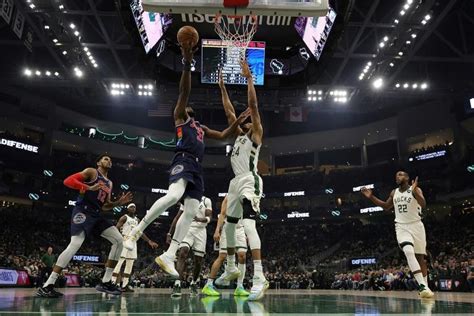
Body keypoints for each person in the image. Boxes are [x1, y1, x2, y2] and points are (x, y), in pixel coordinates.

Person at [123, 39, 250, 279]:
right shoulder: (180, 117)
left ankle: (169, 255)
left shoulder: (200, 126)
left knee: (191, 209)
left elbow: (224, 134)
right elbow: (184, 91)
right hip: (183, 159)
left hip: (196, 168)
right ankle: (136, 232)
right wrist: (187, 63)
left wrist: (237, 120)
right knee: (173, 196)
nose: (187, 106)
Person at [36, 155, 132, 298]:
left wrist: (118, 203)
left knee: (118, 240)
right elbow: (67, 181)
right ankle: (48, 285)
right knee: (75, 244)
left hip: (97, 214)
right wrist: (88, 187)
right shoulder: (92, 172)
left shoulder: (109, 183)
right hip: (83, 211)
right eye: (105, 159)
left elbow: (105, 205)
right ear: (98, 162)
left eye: (110, 160)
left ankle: (105, 282)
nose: (109, 161)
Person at [219, 60, 268, 300]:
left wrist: (249, 79)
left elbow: (253, 104)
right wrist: (221, 87)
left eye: (249, 119)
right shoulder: (238, 136)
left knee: (248, 225)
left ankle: (259, 277)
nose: (246, 121)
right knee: (230, 225)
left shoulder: (256, 134)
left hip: (250, 180)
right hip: (235, 182)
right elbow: (229, 112)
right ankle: (230, 267)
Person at [361, 171, 434, 299]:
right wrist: (371, 197)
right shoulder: (394, 192)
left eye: (400, 175)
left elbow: (423, 204)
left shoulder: (415, 189)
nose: (397, 177)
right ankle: (422, 286)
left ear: (406, 178)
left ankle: (425, 287)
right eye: (396, 176)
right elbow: (385, 206)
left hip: (416, 225)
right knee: (408, 251)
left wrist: (416, 192)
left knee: (420, 258)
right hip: (401, 226)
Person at [202, 196, 250, 297]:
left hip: (240, 228)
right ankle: (208, 284)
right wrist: (217, 230)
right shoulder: (229, 197)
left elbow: (246, 217)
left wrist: (247, 233)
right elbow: (222, 214)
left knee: (242, 255)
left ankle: (239, 287)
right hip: (228, 227)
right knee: (222, 256)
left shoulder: (245, 197)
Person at [168, 196, 212, 297]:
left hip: (200, 231)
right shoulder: (187, 199)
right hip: (187, 229)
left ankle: (194, 283)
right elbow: (177, 217)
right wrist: (169, 233)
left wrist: (199, 219)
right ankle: (177, 285)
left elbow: (210, 217)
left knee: (198, 261)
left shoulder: (206, 200)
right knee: (182, 253)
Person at [112, 203, 159, 292]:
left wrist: (149, 241)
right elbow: (116, 228)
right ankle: (113, 283)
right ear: (128, 208)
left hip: (133, 242)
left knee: (130, 265)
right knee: (119, 263)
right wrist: (117, 239)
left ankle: (125, 285)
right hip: (124, 240)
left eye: (134, 207)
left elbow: (140, 232)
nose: (133, 208)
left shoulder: (137, 220)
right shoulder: (124, 217)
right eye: (131, 207)